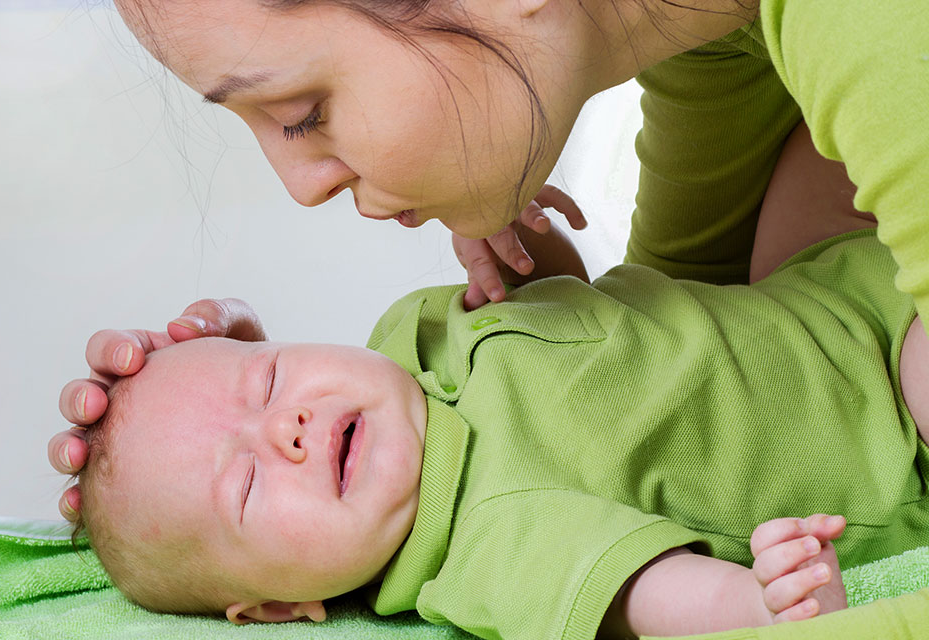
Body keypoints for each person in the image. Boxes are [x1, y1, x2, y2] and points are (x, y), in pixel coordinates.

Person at [50, 0, 928, 528]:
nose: (300, 187)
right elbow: (688, 339)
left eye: (302, 111)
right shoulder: (713, 45)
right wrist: (241, 404)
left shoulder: (878, 33)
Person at [72, 210, 928, 638]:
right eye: (250, 483)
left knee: (797, 75)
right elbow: (642, 594)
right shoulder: (481, 547)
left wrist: (517, 234)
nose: (286, 429)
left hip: (827, 286)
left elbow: (573, 306)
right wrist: (763, 603)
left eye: (267, 380)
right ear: (281, 605)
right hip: (886, 419)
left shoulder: (409, 337)